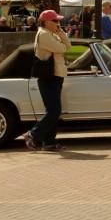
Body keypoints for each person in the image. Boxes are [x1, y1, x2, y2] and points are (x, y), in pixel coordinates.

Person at [24, 10, 70, 152]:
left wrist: (60, 31)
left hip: (55, 76)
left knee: (53, 110)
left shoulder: (51, 34)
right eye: (55, 21)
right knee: (54, 111)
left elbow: (67, 45)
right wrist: (60, 39)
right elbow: (63, 48)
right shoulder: (44, 35)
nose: (58, 23)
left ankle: (49, 142)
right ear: (47, 22)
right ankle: (32, 134)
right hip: (49, 77)